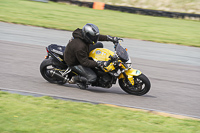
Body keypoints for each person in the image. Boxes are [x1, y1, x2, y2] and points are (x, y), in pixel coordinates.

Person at [64, 23, 119, 89]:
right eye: (92, 37)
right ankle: (76, 79)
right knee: (92, 78)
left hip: (82, 52)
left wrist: (109, 38)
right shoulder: (80, 46)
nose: (94, 38)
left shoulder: (83, 33)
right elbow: (85, 62)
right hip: (74, 62)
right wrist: (99, 63)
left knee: (99, 45)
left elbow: (95, 37)